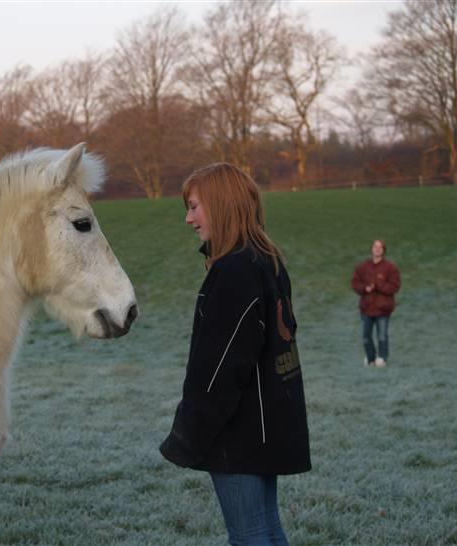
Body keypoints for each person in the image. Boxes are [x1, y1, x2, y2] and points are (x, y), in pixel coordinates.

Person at [159, 163, 311, 546]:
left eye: (194, 206)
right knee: (266, 530)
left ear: (220, 204)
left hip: (239, 432)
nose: (188, 219)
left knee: (249, 536)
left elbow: (220, 368)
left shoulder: (234, 271)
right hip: (266, 425)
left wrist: (189, 432)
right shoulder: (266, 260)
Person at [351, 239, 401, 367]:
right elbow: (355, 283)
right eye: (375, 246)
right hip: (366, 308)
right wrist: (364, 288)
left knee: (382, 335)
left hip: (383, 308)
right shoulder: (363, 266)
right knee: (366, 336)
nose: (377, 249)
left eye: (380, 247)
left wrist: (379, 285)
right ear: (371, 249)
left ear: (384, 250)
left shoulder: (390, 267)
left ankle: (382, 357)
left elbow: (395, 287)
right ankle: (370, 357)